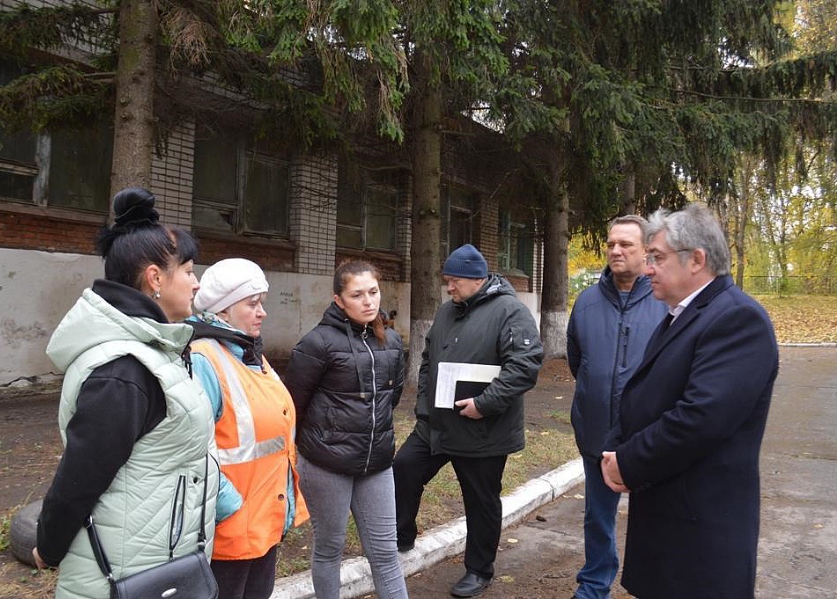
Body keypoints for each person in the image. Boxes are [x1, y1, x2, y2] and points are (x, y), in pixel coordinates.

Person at [32, 187, 217, 599]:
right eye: (188, 270)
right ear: (155, 278)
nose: (196, 282)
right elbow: (80, 476)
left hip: (159, 565)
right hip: (121, 576)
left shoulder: (156, 351)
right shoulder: (123, 370)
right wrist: (48, 544)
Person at [601, 204, 779, 599]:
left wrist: (629, 461)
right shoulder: (684, 314)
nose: (648, 269)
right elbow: (650, 393)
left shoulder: (737, 320)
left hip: (700, 533)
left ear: (696, 259)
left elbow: (699, 419)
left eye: (657, 258)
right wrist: (614, 447)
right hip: (671, 518)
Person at [393, 244, 543, 598]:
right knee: (404, 468)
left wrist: (484, 404)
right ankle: (402, 537)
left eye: (453, 281)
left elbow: (524, 367)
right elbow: (429, 359)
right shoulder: (448, 312)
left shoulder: (511, 312)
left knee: (481, 500)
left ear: (476, 279)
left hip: (484, 430)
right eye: (447, 281)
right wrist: (425, 407)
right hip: (437, 425)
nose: (449, 288)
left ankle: (479, 569)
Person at [284, 260, 408, 599]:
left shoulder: (392, 343)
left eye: (373, 292)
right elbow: (293, 404)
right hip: (327, 463)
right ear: (339, 300)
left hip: (377, 463)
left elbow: (389, 398)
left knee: (385, 553)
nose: (368, 301)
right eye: (357, 295)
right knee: (330, 548)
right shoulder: (317, 343)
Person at [187, 258, 309, 599]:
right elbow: (189, 449)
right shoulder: (203, 358)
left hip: (262, 520)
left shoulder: (246, 352)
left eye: (262, 303)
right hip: (231, 530)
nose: (262, 313)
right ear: (223, 310)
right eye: (252, 304)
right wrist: (232, 508)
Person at [567, 216, 668, 599]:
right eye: (611, 243)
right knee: (598, 517)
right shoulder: (588, 301)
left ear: (646, 250)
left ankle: (656, 585)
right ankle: (594, 585)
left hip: (650, 436)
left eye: (626, 244)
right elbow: (578, 361)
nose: (615, 250)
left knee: (656, 518)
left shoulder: (664, 300)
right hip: (596, 431)